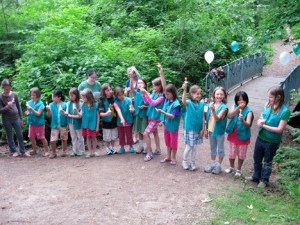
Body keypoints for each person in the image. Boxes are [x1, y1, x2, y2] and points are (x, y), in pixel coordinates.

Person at [246, 86, 290, 188]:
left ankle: (264, 180)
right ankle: (256, 176)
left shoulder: (285, 111)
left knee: (267, 161)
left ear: (278, 97)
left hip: (272, 141)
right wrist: (260, 120)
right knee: (257, 158)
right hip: (261, 137)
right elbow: (262, 116)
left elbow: (280, 129)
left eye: (271, 97)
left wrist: (263, 125)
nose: (268, 99)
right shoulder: (267, 105)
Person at [225, 91, 253, 177]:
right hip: (233, 134)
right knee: (231, 153)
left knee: (241, 154)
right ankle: (231, 167)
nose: (241, 102)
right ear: (236, 101)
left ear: (246, 101)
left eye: (243, 100)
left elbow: (248, 125)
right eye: (239, 100)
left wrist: (242, 121)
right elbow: (229, 116)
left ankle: (239, 170)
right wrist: (237, 109)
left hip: (243, 136)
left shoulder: (249, 111)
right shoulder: (234, 107)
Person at [141, 63, 165, 161]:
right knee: (154, 133)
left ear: (160, 86)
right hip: (150, 116)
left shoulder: (162, 96)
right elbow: (147, 101)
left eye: (155, 86)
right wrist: (144, 94)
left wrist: (146, 93)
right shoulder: (154, 93)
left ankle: (149, 152)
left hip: (156, 118)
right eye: (153, 86)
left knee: (145, 133)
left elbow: (154, 103)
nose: (153, 87)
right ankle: (158, 149)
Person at [0, 79, 30, 157]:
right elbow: (1, 110)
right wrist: (8, 106)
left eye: (9, 88)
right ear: (2, 87)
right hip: (6, 119)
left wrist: (21, 118)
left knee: (20, 134)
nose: (7, 90)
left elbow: (18, 107)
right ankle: (13, 151)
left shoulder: (14, 95)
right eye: (6, 89)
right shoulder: (0, 97)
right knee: (9, 135)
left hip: (16, 117)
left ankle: (23, 151)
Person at [181, 83, 206, 171]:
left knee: (195, 147)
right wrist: (184, 90)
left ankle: (193, 162)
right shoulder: (189, 103)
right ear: (191, 94)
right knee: (189, 146)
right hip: (190, 129)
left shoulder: (202, 104)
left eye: (199, 94)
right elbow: (183, 101)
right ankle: (184, 161)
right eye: (197, 93)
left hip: (198, 129)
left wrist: (203, 128)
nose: (199, 95)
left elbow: (203, 117)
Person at [204, 86, 228, 174]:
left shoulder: (224, 107)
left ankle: (218, 165)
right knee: (212, 147)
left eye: (221, 94)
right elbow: (207, 118)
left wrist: (213, 110)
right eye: (217, 94)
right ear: (214, 95)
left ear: (224, 96)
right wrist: (206, 129)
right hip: (211, 130)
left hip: (219, 131)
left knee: (220, 148)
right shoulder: (211, 104)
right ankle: (213, 163)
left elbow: (217, 119)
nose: (219, 96)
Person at [156, 83, 181, 166]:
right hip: (166, 126)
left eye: (168, 94)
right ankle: (168, 156)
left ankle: (173, 157)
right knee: (167, 141)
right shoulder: (167, 100)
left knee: (173, 142)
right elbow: (163, 84)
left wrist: (162, 112)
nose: (166, 96)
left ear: (173, 93)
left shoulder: (176, 104)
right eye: (165, 94)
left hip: (173, 127)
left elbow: (172, 116)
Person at [25, 87, 49, 157]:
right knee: (31, 137)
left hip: (39, 124)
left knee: (42, 137)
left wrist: (31, 109)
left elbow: (38, 114)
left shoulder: (41, 104)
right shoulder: (29, 103)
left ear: (37, 95)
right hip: (31, 123)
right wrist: (27, 113)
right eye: (31, 95)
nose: (32, 97)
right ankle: (34, 150)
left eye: (34, 95)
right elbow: (28, 112)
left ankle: (47, 151)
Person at [62, 87, 85, 157]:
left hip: (78, 123)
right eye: (70, 95)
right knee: (73, 137)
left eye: (72, 95)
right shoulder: (68, 103)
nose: (71, 97)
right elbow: (67, 112)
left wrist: (69, 115)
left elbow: (80, 116)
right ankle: (75, 150)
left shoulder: (81, 103)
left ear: (76, 95)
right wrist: (64, 113)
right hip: (70, 122)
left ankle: (81, 150)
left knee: (80, 137)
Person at [46, 90, 68, 159]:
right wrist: (48, 110)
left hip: (63, 124)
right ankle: (53, 153)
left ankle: (64, 151)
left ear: (59, 97)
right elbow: (49, 116)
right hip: (54, 125)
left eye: (54, 96)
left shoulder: (65, 104)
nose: (53, 98)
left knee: (64, 139)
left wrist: (67, 125)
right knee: (53, 140)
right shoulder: (51, 105)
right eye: (52, 96)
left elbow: (67, 115)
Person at [79, 88, 100, 157]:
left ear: (88, 96)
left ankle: (94, 151)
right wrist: (76, 111)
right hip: (85, 124)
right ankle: (90, 152)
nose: (82, 98)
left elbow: (98, 116)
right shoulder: (83, 105)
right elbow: (80, 114)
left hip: (93, 124)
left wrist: (97, 126)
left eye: (84, 97)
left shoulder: (95, 105)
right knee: (88, 137)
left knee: (93, 137)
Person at [130, 78, 148, 154]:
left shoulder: (146, 93)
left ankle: (147, 147)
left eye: (141, 83)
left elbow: (150, 104)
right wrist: (131, 78)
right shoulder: (136, 93)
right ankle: (141, 146)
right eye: (138, 83)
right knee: (139, 132)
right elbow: (131, 88)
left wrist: (145, 106)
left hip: (144, 115)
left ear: (145, 85)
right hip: (137, 115)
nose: (139, 84)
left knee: (144, 132)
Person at [98, 83, 118, 155]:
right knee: (107, 136)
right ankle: (107, 147)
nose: (109, 91)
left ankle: (112, 147)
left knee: (113, 135)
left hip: (114, 120)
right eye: (107, 90)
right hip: (106, 122)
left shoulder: (114, 98)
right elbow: (100, 113)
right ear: (103, 92)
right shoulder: (101, 101)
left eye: (110, 89)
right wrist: (107, 113)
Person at [125, 66, 141, 144]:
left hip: (138, 101)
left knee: (136, 118)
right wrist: (126, 90)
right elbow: (125, 93)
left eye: (133, 72)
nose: (131, 73)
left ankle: (136, 136)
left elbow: (140, 91)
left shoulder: (139, 81)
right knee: (132, 118)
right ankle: (133, 135)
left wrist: (132, 89)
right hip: (130, 101)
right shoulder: (128, 82)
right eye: (130, 72)